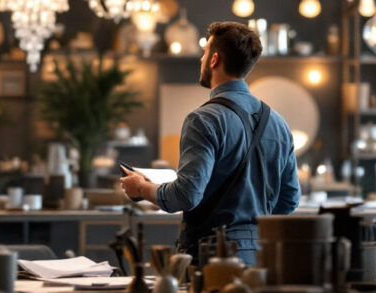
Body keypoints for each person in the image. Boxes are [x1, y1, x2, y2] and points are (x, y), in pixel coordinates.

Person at [120, 21, 300, 265]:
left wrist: (140, 188)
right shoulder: (278, 123)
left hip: (213, 256)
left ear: (214, 60)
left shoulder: (203, 119)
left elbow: (185, 196)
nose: (201, 60)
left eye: (204, 54)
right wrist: (251, 228)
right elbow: (288, 200)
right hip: (261, 255)